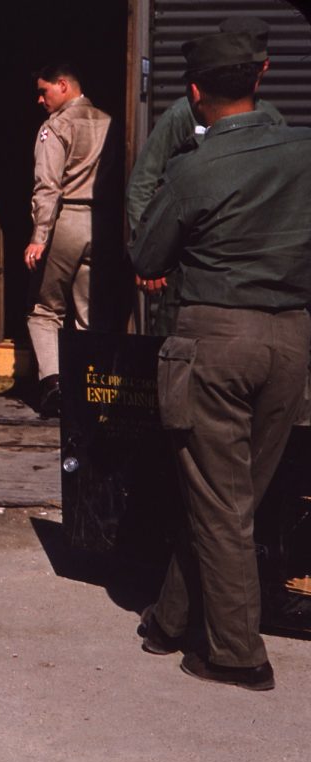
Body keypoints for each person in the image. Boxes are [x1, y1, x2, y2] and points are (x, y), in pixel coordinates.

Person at [130, 31, 311, 691]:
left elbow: (147, 257)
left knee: (220, 499)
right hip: (292, 340)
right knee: (230, 497)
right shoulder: (304, 151)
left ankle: (238, 653)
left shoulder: (193, 167)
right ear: (261, 76)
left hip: (216, 340)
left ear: (196, 90)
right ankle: (170, 618)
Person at [127, 16, 284, 336]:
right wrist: (149, 253)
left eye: (256, 63)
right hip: (189, 270)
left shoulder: (271, 119)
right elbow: (143, 182)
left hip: (250, 277)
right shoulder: (185, 113)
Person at [23, 64, 111, 418]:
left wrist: (38, 236)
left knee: (44, 310)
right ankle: (92, 388)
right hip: (102, 222)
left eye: (44, 91)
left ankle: (55, 385)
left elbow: (48, 186)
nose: (40, 99)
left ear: (63, 85)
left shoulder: (55, 127)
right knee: (89, 311)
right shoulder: (108, 120)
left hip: (68, 220)